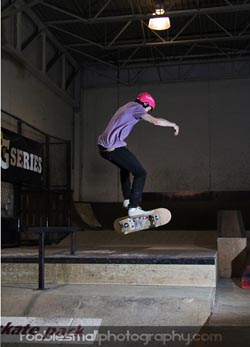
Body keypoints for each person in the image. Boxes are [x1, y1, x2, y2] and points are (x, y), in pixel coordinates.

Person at [98, 92, 179, 217]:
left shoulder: (126, 106)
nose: (146, 112)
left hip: (103, 147)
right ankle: (134, 208)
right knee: (141, 173)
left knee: (125, 167)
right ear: (145, 103)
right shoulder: (138, 108)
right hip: (113, 147)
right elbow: (155, 121)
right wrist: (173, 124)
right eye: (148, 109)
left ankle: (127, 200)